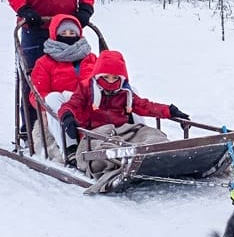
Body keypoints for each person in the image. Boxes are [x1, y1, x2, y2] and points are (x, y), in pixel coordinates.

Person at [58, 50, 190, 166]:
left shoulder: (124, 91)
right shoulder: (87, 88)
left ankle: (162, 154)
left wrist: (170, 110)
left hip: (123, 130)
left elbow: (144, 105)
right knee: (104, 150)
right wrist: (67, 116)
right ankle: (124, 161)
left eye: (115, 77)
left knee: (152, 134)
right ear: (98, 75)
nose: (110, 81)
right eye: (106, 77)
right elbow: (71, 105)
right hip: (95, 133)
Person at [28, 14, 98, 159]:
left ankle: (140, 139)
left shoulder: (91, 58)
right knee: (52, 98)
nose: (68, 36)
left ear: (79, 34)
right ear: (55, 35)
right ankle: (69, 149)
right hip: (61, 107)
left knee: (128, 91)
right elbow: (37, 94)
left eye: (72, 33)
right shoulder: (44, 62)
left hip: (89, 103)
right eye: (63, 33)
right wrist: (45, 108)